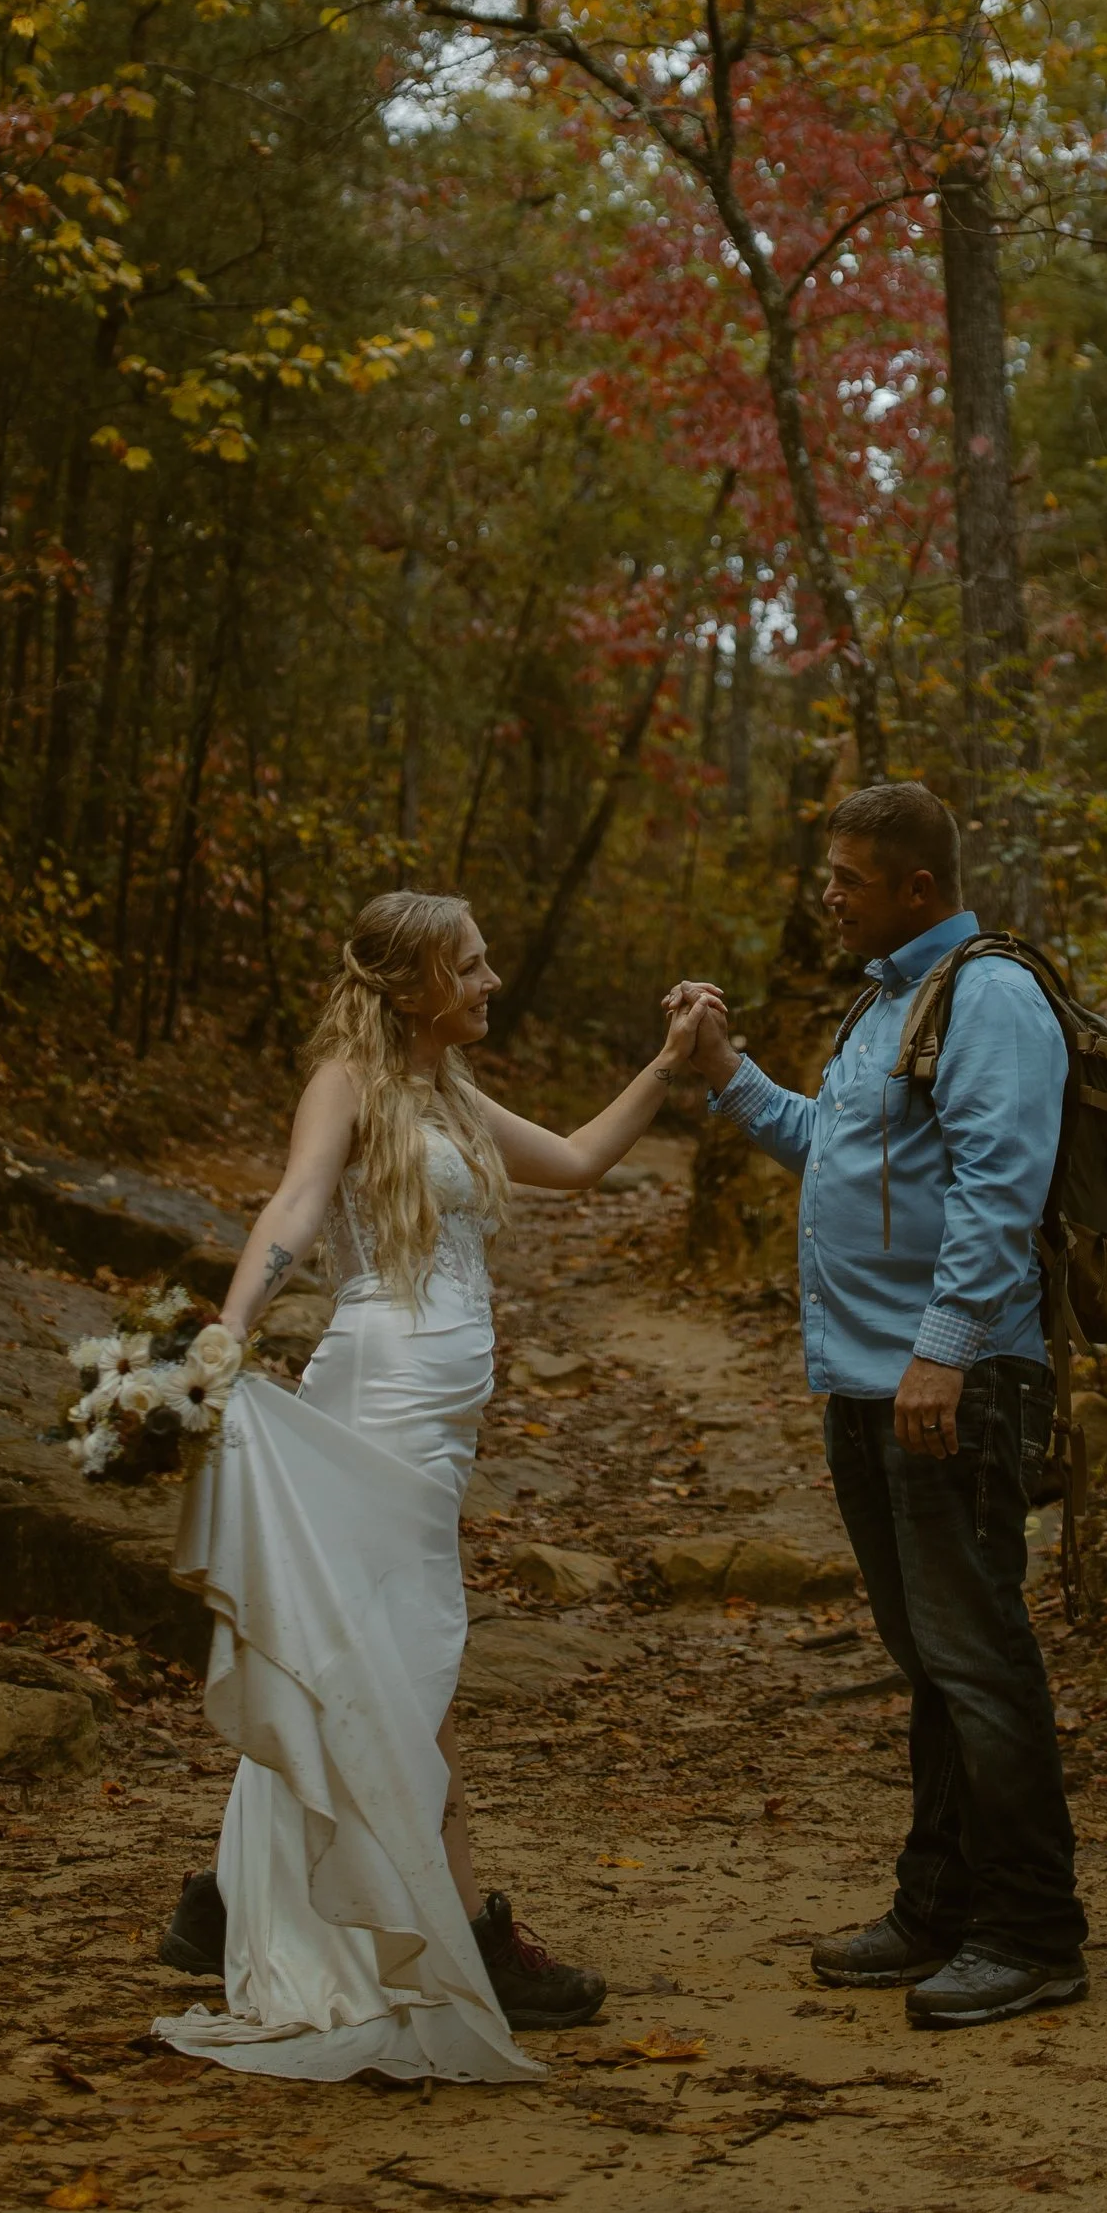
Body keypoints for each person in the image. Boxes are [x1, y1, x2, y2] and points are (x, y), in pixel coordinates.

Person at [152, 888, 710, 2087]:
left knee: (372, 1654)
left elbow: (575, 1162)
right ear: (411, 987)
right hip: (383, 1395)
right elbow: (297, 1205)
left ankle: (230, 1896)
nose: (492, 979)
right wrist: (229, 1329)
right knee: (406, 1661)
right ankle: (456, 1925)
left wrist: (667, 1067)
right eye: (470, 965)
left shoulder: (448, 1093)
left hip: (439, 1421)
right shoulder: (346, 1085)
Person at [673, 779, 1087, 2028]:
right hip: (872, 1379)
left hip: (946, 1381)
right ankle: (937, 1906)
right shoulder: (885, 1002)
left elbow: (999, 1187)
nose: (828, 895)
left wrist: (943, 1355)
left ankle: (1031, 1931)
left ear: (918, 886)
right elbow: (839, 1150)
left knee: (976, 1652)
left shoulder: (992, 997)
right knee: (930, 1658)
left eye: (848, 878)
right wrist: (727, 1073)